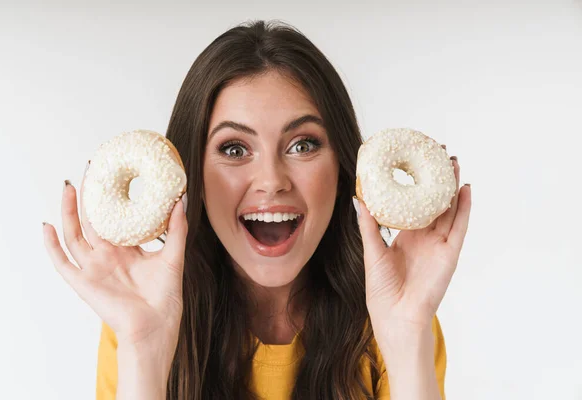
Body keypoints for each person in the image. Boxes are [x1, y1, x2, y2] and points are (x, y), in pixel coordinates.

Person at [43, 19, 471, 400]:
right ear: (190, 173)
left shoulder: (391, 319)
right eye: (234, 148)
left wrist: (407, 334)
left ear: (344, 169)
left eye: (303, 144)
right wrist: (144, 347)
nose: (271, 180)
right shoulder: (137, 316)